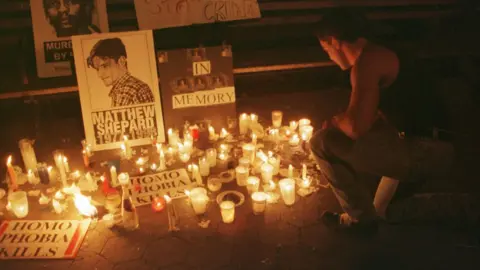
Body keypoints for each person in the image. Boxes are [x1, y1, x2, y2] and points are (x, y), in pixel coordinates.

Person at [310, 9, 445, 234]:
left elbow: (355, 127)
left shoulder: (368, 62)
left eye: (326, 50)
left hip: (427, 150)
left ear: (333, 41)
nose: (329, 57)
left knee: (321, 142)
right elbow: (372, 117)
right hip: (426, 141)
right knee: (383, 211)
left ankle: (359, 220)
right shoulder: (381, 53)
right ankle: (377, 211)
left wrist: (334, 123)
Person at [87, 38, 155, 107]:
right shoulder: (141, 85)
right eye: (97, 69)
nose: (99, 75)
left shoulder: (123, 92)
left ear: (121, 61)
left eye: (105, 66)